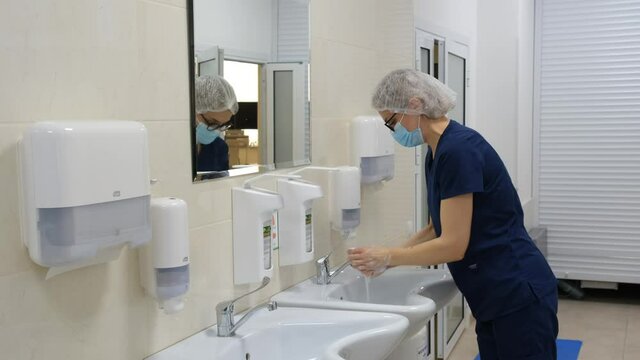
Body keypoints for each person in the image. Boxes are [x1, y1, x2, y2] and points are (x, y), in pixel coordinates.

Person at [348, 69, 559, 360]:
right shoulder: (436, 153)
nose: (393, 132)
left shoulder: (458, 150)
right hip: (493, 295)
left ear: (415, 105)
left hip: (517, 291)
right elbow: (436, 228)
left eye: (392, 122)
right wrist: (387, 257)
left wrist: (389, 256)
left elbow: (453, 245)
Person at [194, 74, 238, 172]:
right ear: (195, 109)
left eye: (223, 125)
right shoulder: (172, 145)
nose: (217, 130)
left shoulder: (220, 147)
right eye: (212, 122)